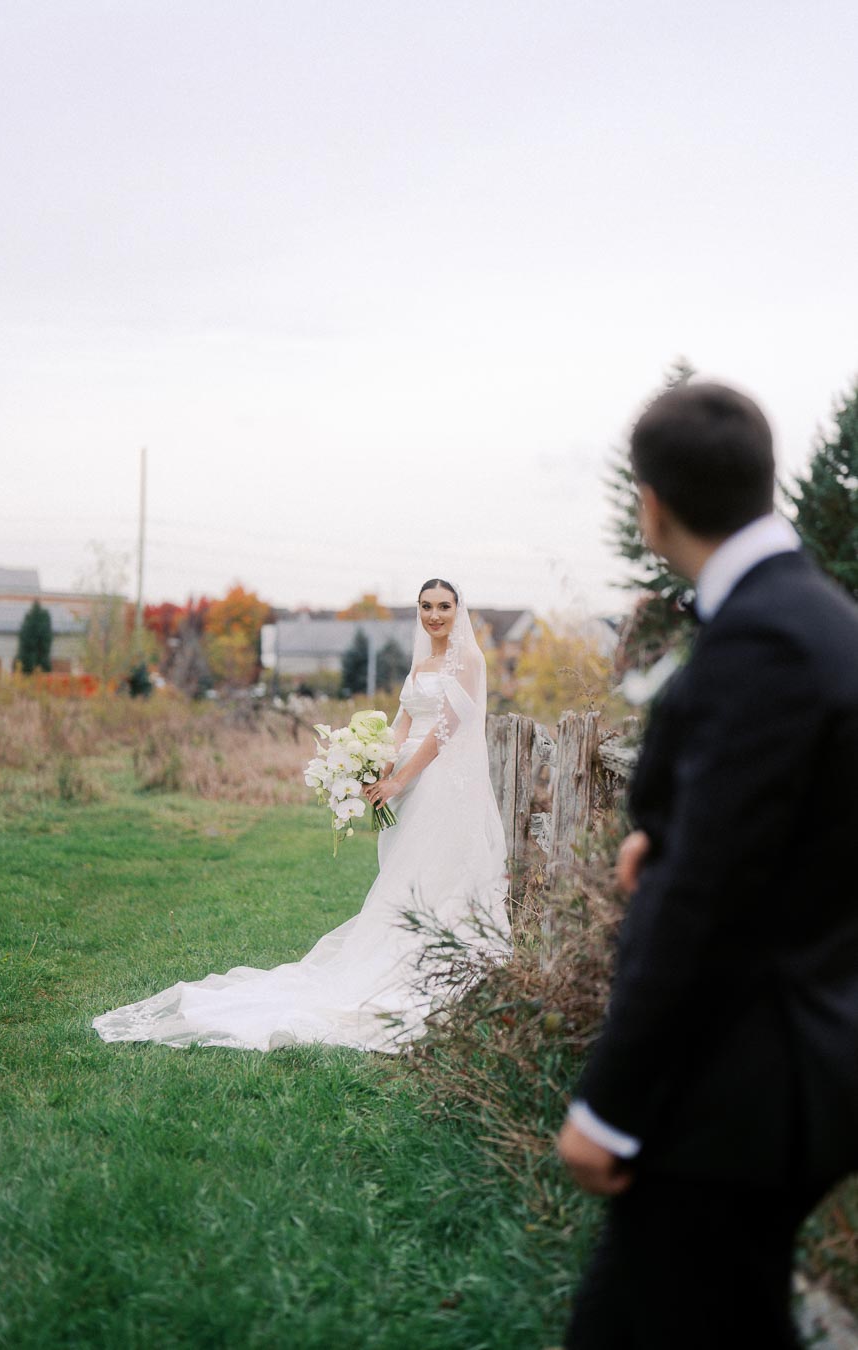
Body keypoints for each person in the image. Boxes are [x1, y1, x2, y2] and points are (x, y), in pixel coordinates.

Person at [557, 381, 858, 1348]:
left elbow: (703, 907)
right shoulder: (824, 619)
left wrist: (607, 1107)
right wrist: (674, 828)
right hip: (802, 1059)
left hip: (745, 1082)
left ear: (651, 504)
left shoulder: (763, 639)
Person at [93, 579, 510, 1052]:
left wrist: (401, 778)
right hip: (403, 785)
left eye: (444, 607)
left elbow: (445, 732)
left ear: (459, 610)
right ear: (418, 610)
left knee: (436, 874)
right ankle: (404, 954)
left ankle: (442, 964)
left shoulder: (469, 662)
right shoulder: (421, 664)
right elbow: (404, 723)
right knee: (403, 875)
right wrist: (376, 766)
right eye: (426, 606)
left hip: (437, 784)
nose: (435, 615)